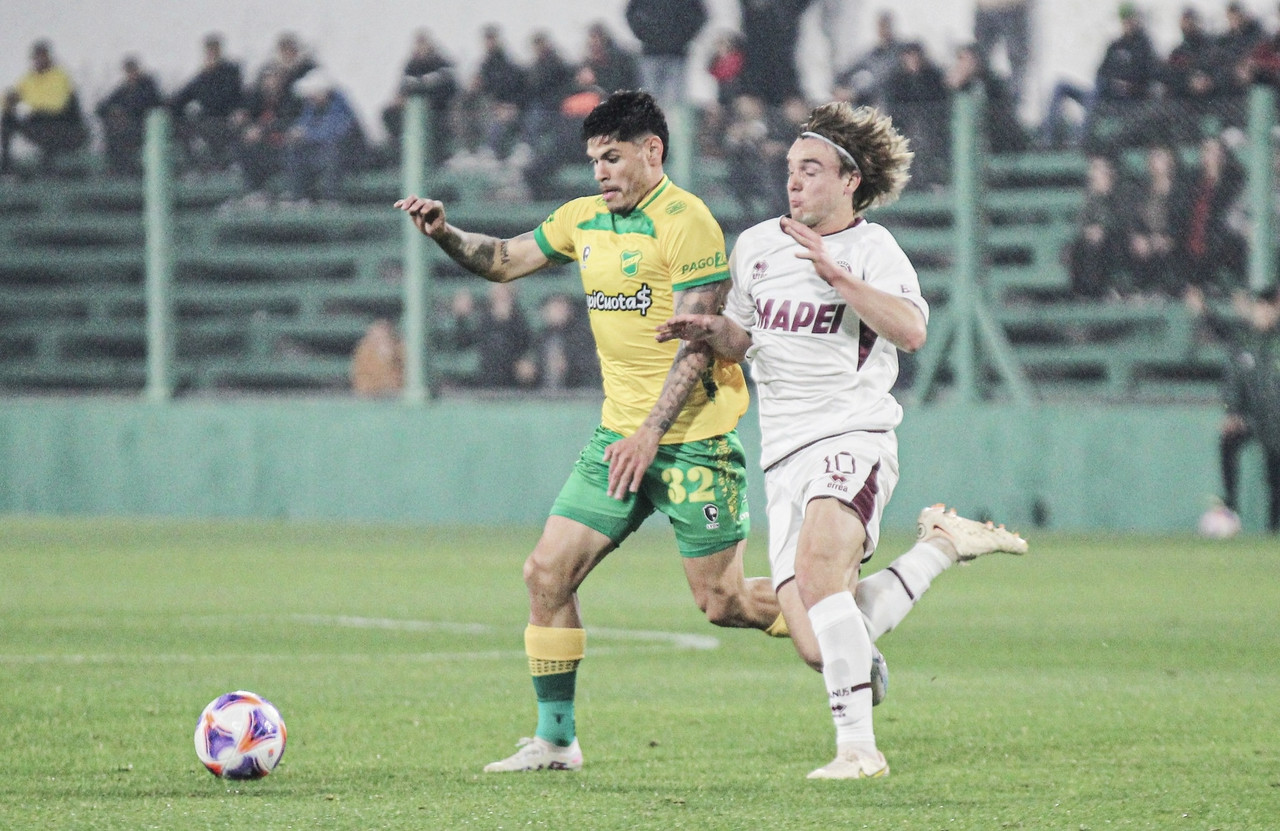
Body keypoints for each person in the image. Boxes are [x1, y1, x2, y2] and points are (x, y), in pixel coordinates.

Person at [395, 90, 783, 772]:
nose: (600, 172)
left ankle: (834, 629)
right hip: (618, 438)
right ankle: (555, 739)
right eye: (593, 160)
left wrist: (649, 434)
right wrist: (445, 234)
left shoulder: (688, 222)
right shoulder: (584, 220)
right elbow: (505, 258)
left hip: (695, 440)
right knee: (546, 573)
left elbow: (697, 345)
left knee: (722, 603)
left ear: (652, 152)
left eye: (613, 157)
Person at [657, 102, 1028, 779]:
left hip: (851, 433)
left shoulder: (874, 250)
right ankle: (943, 544)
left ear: (850, 180)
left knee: (825, 576)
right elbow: (746, 338)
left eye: (810, 170)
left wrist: (838, 276)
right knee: (817, 638)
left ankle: (858, 749)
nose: (793, 183)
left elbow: (911, 332)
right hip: (782, 452)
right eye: (790, 169)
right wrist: (712, 335)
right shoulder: (757, 246)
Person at [1187, 285, 1280, 534]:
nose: (1260, 314)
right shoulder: (1245, 338)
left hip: (1276, 419)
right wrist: (1233, 412)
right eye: (1257, 308)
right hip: (1252, 417)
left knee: (1275, 475)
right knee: (1228, 440)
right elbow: (1221, 331)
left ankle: (1273, 529)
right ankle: (1230, 507)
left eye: (1265, 309)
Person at [1, 40, 87, 176]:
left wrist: (32, 106)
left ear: (48, 57)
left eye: (43, 56)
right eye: (36, 57)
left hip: (63, 124)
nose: (39, 60)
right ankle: (6, 165)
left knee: (46, 125)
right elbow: (10, 98)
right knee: (7, 118)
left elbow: (56, 104)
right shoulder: (29, 78)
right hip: (38, 122)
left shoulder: (60, 75)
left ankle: (48, 168)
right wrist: (10, 100)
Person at [280, 69, 362, 206]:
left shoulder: (341, 107)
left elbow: (335, 133)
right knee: (296, 150)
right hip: (319, 152)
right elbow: (304, 124)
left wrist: (306, 134)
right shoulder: (312, 107)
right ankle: (300, 195)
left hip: (346, 156)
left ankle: (331, 198)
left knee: (331, 153)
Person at [170, 33, 244, 173]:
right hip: (206, 120)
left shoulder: (231, 71)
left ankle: (223, 167)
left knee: (213, 131)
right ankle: (195, 169)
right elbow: (183, 97)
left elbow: (223, 98)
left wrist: (210, 75)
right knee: (187, 130)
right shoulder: (202, 76)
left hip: (225, 118)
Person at [624, 0, 708, 111]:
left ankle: (673, 127)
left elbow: (700, 15)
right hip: (651, 54)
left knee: (676, 101)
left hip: (677, 55)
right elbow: (630, 13)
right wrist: (644, 34)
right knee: (650, 99)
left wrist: (684, 37)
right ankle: (652, 126)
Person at [95, 55, 163, 176]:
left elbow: (146, 104)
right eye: (128, 71)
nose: (131, 74)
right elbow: (102, 108)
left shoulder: (148, 86)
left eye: (133, 70)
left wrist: (123, 110)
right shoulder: (124, 89)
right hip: (125, 133)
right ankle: (117, 170)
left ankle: (126, 170)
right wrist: (113, 111)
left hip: (146, 131)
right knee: (114, 133)